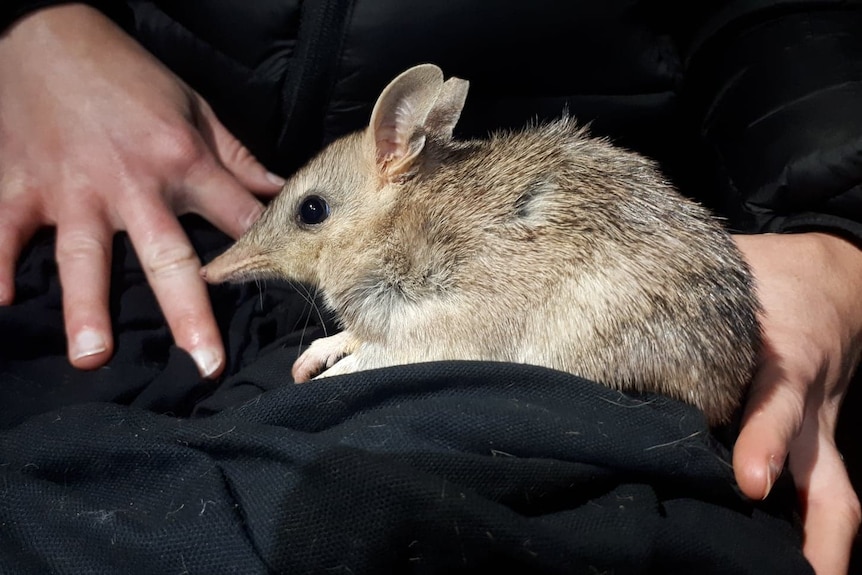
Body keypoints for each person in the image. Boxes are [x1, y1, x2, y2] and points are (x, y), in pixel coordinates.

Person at [0, 2, 860, 573]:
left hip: (631, 341)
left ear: (398, 159)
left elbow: (477, 314)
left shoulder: (440, 223)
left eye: (310, 217)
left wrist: (843, 228)